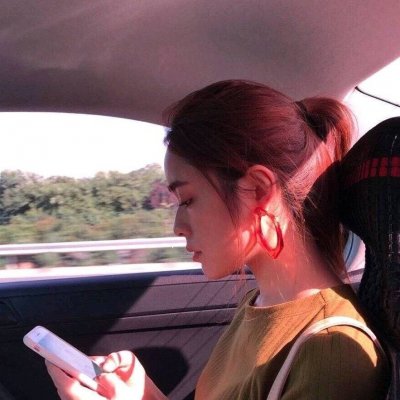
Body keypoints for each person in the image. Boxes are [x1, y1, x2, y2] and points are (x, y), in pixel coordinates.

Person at [46, 80, 389, 399]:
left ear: (257, 190)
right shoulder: (258, 304)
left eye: (187, 200)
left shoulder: (331, 351)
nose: (177, 226)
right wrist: (146, 395)